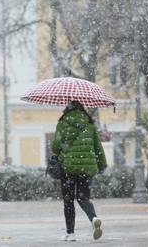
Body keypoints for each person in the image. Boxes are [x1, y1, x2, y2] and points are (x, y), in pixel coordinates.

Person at [51, 101, 107, 242]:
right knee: (83, 198)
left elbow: (56, 147)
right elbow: (98, 147)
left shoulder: (63, 124)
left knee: (68, 200)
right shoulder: (89, 125)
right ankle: (94, 218)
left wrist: (59, 147)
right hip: (86, 168)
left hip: (68, 167)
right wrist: (102, 165)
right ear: (83, 109)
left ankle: (71, 233)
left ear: (67, 109)